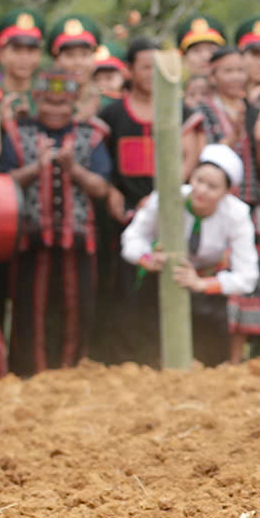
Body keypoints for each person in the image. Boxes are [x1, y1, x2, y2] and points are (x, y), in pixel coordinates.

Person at [0, 67, 113, 375]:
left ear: (73, 102)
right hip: (30, 241)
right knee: (29, 312)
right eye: (49, 102)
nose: (55, 109)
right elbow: (3, 182)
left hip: (78, 240)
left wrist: (74, 169)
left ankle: (72, 373)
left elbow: (101, 187)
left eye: (63, 103)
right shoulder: (16, 134)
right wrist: (37, 167)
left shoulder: (91, 136)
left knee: (78, 311)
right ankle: (29, 374)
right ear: (37, 100)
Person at [119, 144, 260, 367]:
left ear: (226, 192)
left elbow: (247, 276)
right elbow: (131, 239)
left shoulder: (237, 214)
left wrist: (201, 284)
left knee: (209, 359)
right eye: (199, 180)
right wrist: (148, 259)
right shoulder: (164, 199)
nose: (201, 190)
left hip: (206, 291)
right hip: (160, 281)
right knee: (149, 355)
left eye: (212, 187)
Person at [95, 37, 162, 363]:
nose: (151, 73)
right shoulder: (112, 112)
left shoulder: (176, 109)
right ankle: (117, 356)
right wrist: (110, 190)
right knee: (118, 282)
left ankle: (156, 354)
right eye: (145, 67)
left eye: (157, 67)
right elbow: (99, 159)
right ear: (131, 70)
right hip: (120, 212)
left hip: (164, 213)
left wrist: (164, 197)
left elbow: (191, 155)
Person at [194, 45, 260, 241]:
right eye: (228, 71)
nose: (236, 77)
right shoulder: (200, 112)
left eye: (240, 71)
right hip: (213, 204)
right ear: (212, 76)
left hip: (250, 203)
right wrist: (233, 137)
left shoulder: (254, 112)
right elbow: (203, 161)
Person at [0, 9, 47, 124]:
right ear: (0, 54)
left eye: (31, 50)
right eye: (16, 50)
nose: (24, 58)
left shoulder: (49, 92)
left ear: (40, 55)